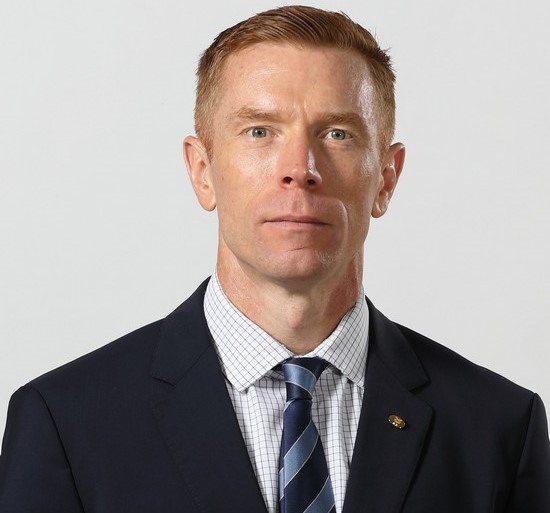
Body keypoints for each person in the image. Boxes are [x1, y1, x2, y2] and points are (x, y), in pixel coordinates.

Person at [0, 5, 548, 512]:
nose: (299, 168)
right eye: (259, 131)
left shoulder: (500, 428)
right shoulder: (65, 423)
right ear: (202, 171)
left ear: (386, 178)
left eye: (337, 133)